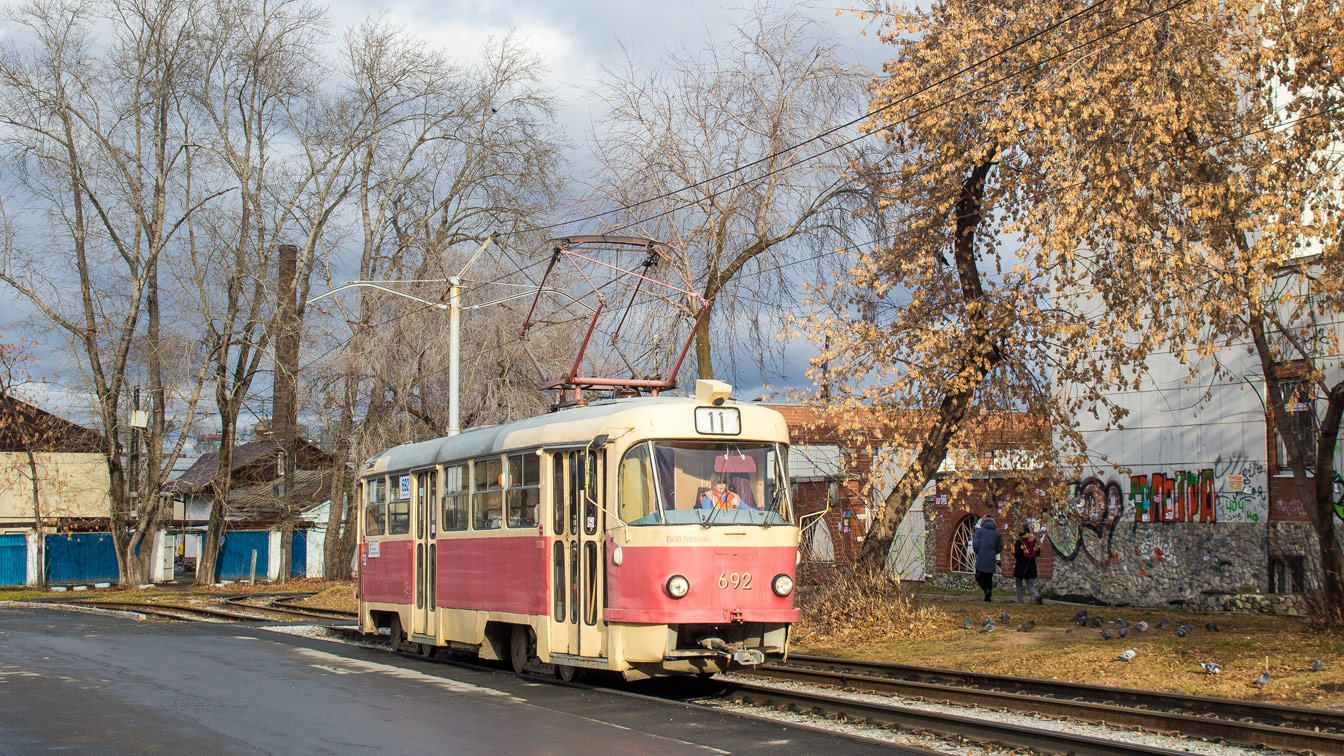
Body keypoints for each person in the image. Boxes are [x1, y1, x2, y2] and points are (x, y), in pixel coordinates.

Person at [971, 514, 1003, 602]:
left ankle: (986, 590)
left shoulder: (980, 531)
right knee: (989, 576)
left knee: (978, 576)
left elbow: (975, 544)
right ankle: (988, 597)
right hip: (991, 557)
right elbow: (1000, 546)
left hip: (981, 555)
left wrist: (979, 551)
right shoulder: (997, 532)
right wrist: (994, 552)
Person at [1013, 528, 1042, 604]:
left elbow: (1017, 554)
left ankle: (1020, 601)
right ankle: (1036, 595)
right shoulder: (1033, 541)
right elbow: (1038, 553)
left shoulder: (1019, 542)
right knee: (1030, 585)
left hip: (1020, 566)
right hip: (1031, 566)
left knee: (1019, 584)